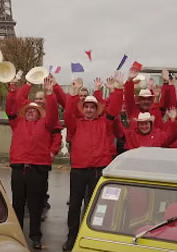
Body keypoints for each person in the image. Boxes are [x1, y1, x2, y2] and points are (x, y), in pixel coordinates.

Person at [62, 72, 123, 251]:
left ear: (97, 109)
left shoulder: (104, 123)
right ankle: (72, 237)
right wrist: (73, 94)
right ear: (83, 108)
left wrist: (115, 91)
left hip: (97, 169)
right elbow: (67, 114)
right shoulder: (76, 124)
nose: (89, 109)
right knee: (74, 206)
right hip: (79, 170)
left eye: (92, 107)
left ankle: (91, 235)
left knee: (94, 205)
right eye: (86, 107)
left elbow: (114, 109)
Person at [6, 77, 59, 250]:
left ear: (39, 114)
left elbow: (52, 114)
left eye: (34, 111)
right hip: (19, 167)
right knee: (18, 204)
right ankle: (17, 234)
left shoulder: (46, 124)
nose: (30, 112)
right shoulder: (17, 123)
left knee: (36, 206)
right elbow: (16, 103)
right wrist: (26, 84)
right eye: (28, 110)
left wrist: (50, 94)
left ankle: (35, 236)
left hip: (38, 168)